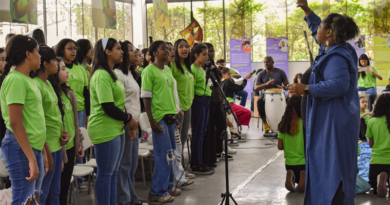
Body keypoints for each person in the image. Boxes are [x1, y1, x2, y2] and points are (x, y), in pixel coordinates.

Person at [289, 1, 360, 203]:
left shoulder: (336, 55)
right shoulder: (334, 47)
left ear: (329, 33)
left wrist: (306, 88)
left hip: (334, 123)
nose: (317, 28)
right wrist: (306, 10)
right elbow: (317, 27)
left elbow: (339, 85)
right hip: (331, 119)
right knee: (325, 166)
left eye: (321, 27)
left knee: (332, 168)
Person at [88, 38, 138, 204]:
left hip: (116, 128)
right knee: (105, 174)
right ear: (107, 52)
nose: (122, 51)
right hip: (104, 129)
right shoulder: (101, 75)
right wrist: (129, 119)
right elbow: (108, 106)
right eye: (118, 48)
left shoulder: (111, 74)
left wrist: (127, 123)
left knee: (113, 172)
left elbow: (119, 103)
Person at [0, 35, 46, 205]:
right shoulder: (15, 80)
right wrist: (31, 159)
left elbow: (33, 118)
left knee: (32, 199)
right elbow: (15, 122)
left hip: (32, 146)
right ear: (28, 54)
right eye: (37, 52)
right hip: (20, 148)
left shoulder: (27, 79)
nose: (39, 56)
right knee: (22, 199)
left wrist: (41, 152)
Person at [141, 41, 180, 203]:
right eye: (163, 49)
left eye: (169, 49)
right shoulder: (149, 71)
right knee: (163, 155)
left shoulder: (168, 70)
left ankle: (169, 185)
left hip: (170, 118)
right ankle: (157, 192)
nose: (168, 51)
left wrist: (176, 115)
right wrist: (152, 120)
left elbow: (170, 96)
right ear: (154, 53)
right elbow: (146, 97)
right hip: (159, 119)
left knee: (171, 155)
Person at [32, 45, 69, 205]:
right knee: (44, 193)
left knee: (55, 191)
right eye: (54, 60)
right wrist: (45, 151)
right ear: (46, 64)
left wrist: (64, 131)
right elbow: (38, 121)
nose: (56, 63)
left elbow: (53, 116)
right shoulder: (36, 85)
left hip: (56, 143)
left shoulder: (47, 84)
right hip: (46, 146)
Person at [48, 57, 84, 205]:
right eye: (62, 69)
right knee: (55, 191)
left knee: (64, 189)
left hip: (70, 148)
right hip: (59, 149)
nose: (67, 71)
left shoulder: (68, 93)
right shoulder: (53, 94)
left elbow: (74, 123)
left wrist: (79, 142)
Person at [114, 40, 143, 205]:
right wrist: (128, 122)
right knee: (124, 165)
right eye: (131, 50)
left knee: (131, 165)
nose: (135, 53)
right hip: (126, 124)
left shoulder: (131, 73)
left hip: (134, 123)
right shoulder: (118, 74)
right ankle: (123, 200)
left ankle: (132, 197)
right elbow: (121, 102)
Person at [190, 43, 215, 175]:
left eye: (207, 54)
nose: (207, 57)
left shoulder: (202, 69)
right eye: (204, 54)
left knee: (203, 132)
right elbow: (191, 89)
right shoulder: (192, 69)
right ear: (196, 55)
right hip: (198, 101)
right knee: (198, 132)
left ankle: (200, 160)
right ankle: (196, 163)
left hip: (206, 100)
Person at [56, 39, 90, 128]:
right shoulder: (57, 69)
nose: (73, 51)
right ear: (62, 50)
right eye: (70, 48)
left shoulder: (80, 68)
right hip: (64, 108)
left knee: (80, 137)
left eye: (75, 48)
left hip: (80, 109)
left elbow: (86, 93)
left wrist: (88, 113)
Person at [277, 95, 305, 193]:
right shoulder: (306, 124)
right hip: (304, 164)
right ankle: (304, 176)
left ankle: (292, 175)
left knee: (294, 173)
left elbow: (280, 147)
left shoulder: (284, 123)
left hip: (289, 164)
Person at [255, 56, 289, 133]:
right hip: (267, 95)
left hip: (280, 93)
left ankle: (286, 122)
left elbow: (288, 86)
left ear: (273, 62)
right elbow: (256, 88)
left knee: (290, 102)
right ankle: (266, 124)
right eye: (264, 62)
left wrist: (283, 88)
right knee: (260, 102)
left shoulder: (280, 72)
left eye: (268, 62)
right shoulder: (261, 74)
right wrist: (265, 84)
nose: (265, 64)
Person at [366, 94, 390, 197]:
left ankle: (378, 182)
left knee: (373, 186)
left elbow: (371, 144)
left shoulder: (372, 122)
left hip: (376, 162)